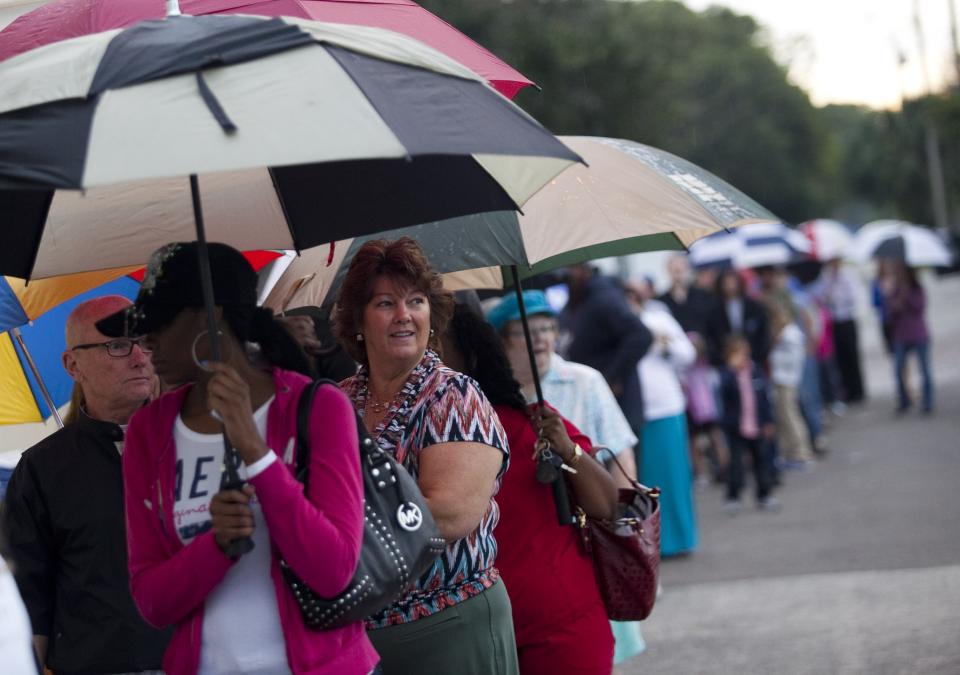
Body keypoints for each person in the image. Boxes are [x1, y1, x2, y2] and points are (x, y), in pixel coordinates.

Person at [97, 242, 378, 675]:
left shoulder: (318, 407)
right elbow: (151, 602)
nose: (145, 340)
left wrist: (256, 454)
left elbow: (333, 569)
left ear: (212, 316)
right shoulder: (146, 433)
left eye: (161, 321)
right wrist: (216, 546)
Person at [333, 238, 518, 675]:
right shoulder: (337, 401)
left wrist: (333, 535)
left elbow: (448, 517)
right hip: (356, 638)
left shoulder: (454, 396)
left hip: (447, 626)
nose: (403, 315)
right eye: (385, 303)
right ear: (358, 320)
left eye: (415, 301)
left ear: (431, 316)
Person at [443, 301, 617, 675]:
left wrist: (567, 449)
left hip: (559, 628)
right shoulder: (419, 441)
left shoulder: (533, 424)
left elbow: (606, 503)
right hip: (473, 637)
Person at [2, 295, 170, 674]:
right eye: (117, 345)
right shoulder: (43, 467)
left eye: (145, 340)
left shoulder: (197, 438)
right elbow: (30, 595)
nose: (139, 356)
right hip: (99, 662)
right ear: (72, 365)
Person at [487, 289, 645, 666]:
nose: (539, 338)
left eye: (547, 328)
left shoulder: (584, 380)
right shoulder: (494, 399)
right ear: (501, 343)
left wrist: (619, 527)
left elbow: (620, 451)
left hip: (595, 526)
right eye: (525, 330)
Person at [624, 279, 699, 556]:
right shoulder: (616, 328)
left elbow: (687, 354)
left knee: (673, 478)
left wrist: (663, 346)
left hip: (664, 407)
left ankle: (677, 540)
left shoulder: (658, 319)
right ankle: (650, 541)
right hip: (633, 410)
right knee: (642, 480)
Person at [559, 263, 653, 435]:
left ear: (582, 269)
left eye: (571, 268)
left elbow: (640, 336)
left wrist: (610, 376)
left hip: (617, 406)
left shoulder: (603, 298)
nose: (565, 274)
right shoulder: (576, 300)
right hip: (594, 404)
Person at [718, 335, 780, 513]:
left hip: (757, 425)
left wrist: (768, 421)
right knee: (736, 464)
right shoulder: (727, 375)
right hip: (737, 428)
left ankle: (764, 494)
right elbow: (724, 395)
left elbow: (765, 398)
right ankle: (733, 496)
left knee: (761, 461)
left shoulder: (755, 371)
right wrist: (731, 371)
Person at [812, 259, 866, 403]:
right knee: (839, 358)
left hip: (847, 318)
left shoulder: (848, 276)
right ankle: (846, 390)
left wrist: (839, 296)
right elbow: (820, 297)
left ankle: (858, 390)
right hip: (834, 321)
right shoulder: (826, 278)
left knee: (852, 355)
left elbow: (854, 296)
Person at [768, 305, 815, 468]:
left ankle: (801, 451)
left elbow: (790, 358)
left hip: (787, 379)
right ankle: (790, 451)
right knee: (783, 416)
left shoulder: (789, 334)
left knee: (790, 415)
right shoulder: (789, 333)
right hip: (782, 378)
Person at [884, 263, 934, 414]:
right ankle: (904, 400)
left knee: (924, 369)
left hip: (918, 333)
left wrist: (907, 297)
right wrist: (895, 298)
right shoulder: (895, 290)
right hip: (901, 334)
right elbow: (890, 311)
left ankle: (928, 402)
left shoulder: (916, 288)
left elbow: (920, 306)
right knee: (898, 368)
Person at [705, 268, 770, 368]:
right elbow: (712, 336)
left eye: (733, 283)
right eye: (726, 284)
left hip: (753, 358)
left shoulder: (753, 307)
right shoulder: (715, 310)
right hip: (726, 360)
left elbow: (762, 332)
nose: (730, 287)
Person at [658, 253, 717, 335]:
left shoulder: (703, 296)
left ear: (688, 270)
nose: (678, 275)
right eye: (675, 271)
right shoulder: (661, 300)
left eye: (681, 270)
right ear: (668, 271)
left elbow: (712, 324)